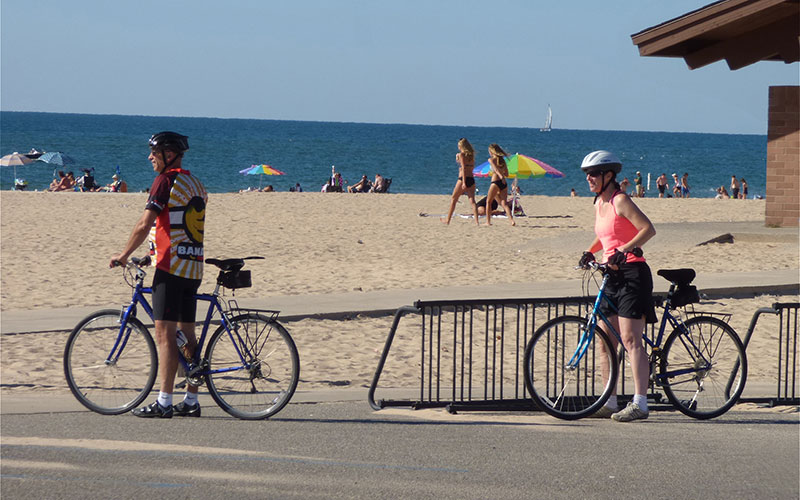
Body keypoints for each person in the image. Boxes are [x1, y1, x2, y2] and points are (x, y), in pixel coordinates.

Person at [109, 131, 207, 418]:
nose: (150, 157)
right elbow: (178, 226)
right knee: (187, 334)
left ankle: (164, 402)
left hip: (171, 268)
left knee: (165, 335)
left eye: (154, 153)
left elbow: (145, 223)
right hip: (193, 266)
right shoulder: (195, 182)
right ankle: (191, 400)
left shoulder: (165, 181)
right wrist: (149, 254)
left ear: (169, 155)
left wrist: (124, 254)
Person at [577, 150, 657, 422]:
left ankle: (640, 403)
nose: (588, 179)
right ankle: (609, 401)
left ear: (608, 175)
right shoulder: (598, 203)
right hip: (610, 275)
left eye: (593, 174)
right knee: (605, 342)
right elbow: (606, 236)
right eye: (586, 175)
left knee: (630, 339)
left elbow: (647, 229)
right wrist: (589, 252)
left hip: (633, 273)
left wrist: (625, 250)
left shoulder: (620, 200)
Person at [442, 138, 479, 225]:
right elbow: (470, 167)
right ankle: (477, 221)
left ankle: (448, 220)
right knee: (472, 201)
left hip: (463, 179)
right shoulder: (471, 156)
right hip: (471, 178)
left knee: (454, 199)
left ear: (461, 146)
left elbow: (464, 168)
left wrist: (464, 182)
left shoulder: (461, 155)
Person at [485, 143, 515, 226]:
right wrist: (502, 175)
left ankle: (488, 222)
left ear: (492, 151)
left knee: (488, 202)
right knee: (504, 203)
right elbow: (507, 174)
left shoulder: (491, 160)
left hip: (495, 182)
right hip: (503, 183)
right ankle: (511, 220)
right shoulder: (503, 161)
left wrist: (500, 176)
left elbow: (496, 170)